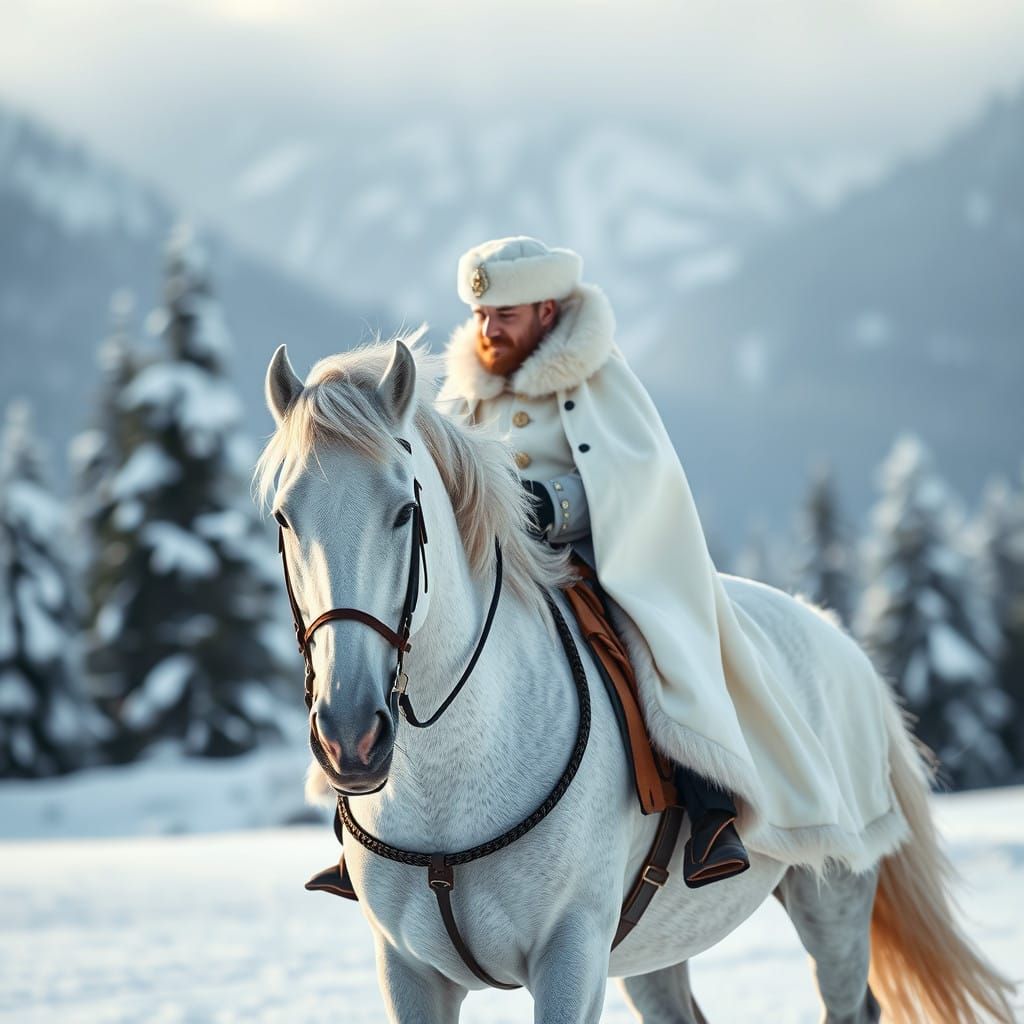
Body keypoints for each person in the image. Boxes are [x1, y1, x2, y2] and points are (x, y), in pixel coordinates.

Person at [435, 236, 750, 887]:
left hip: (583, 563)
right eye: (480, 316)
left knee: (646, 646)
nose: (488, 330)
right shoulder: (461, 394)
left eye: (505, 316)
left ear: (547, 313)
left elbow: (639, 479)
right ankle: (373, 827)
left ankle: (709, 812)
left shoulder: (597, 379)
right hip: (482, 569)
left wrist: (550, 505)